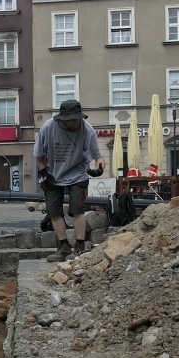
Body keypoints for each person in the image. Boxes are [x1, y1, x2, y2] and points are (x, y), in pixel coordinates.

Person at [34, 99, 105, 262]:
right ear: (62, 119)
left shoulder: (88, 130)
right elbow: (38, 156)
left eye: (77, 119)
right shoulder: (48, 127)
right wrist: (44, 174)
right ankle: (63, 248)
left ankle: (79, 246)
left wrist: (99, 168)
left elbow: (98, 156)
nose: (74, 123)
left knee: (77, 208)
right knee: (53, 211)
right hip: (53, 173)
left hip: (78, 172)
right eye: (70, 120)